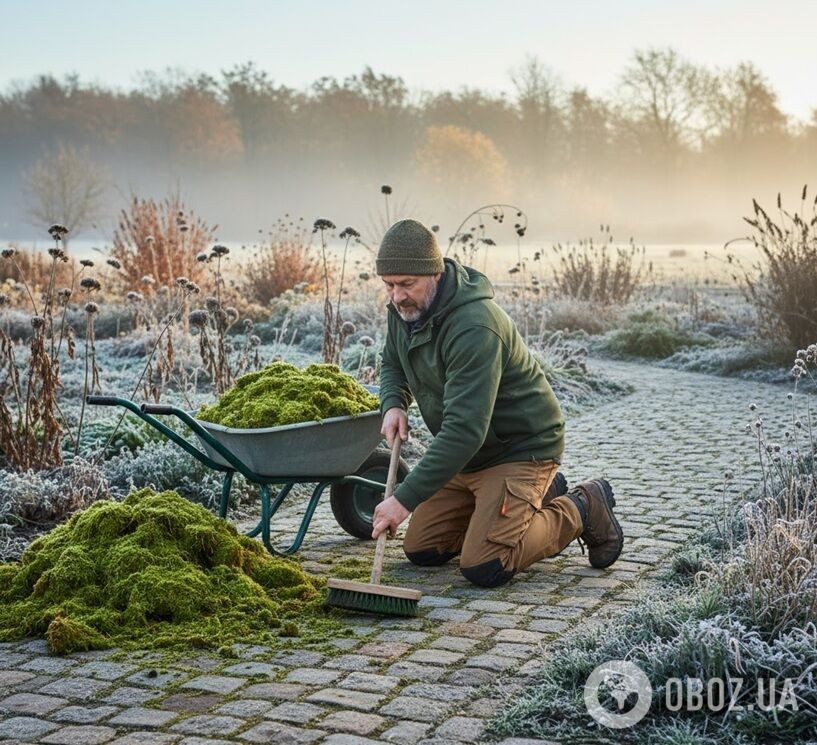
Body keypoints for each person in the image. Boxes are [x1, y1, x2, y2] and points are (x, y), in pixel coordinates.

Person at [371, 218, 623, 587]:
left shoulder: (474, 326)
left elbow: (463, 430)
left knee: (485, 565)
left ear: (435, 273)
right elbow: (393, 360)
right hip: (470, 456)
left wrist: (402, 500)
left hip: (519, 448)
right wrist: (394, 402)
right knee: (423, 549)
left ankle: (584, 505)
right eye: (389, 285)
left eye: (407, 284)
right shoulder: (405, 310)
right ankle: (526, 502)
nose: (397, 296)